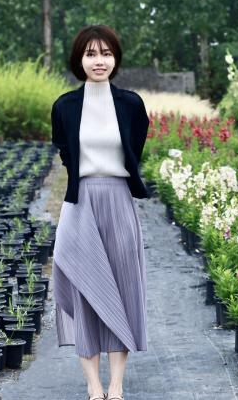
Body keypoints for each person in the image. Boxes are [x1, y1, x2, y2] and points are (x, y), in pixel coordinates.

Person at [50, 24, 150, 400]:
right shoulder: (64, 106)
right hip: (80, 203)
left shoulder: (131, 104)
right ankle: (93, 386)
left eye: (106, 54)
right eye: (90, 54)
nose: (99, 61)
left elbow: (135, 148)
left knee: (123, 289)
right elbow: (65, 151)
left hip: (119, 201)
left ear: (115, 59)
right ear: (79, 59)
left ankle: (116, 385)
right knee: (84, 290)